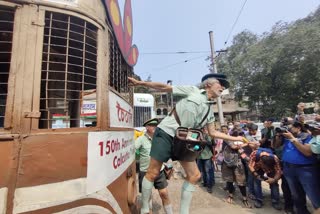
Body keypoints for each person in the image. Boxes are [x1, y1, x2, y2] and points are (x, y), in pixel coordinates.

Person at [128, 73, 244, 214]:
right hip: (166, 133)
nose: (223, 87)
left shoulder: (209, 111)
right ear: (208, 84)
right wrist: (141, 84)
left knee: (195, 175)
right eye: (221, 84)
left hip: (183, 141)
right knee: (152, 172)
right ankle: (145, 209)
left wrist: (237, 139)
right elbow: (165, 87)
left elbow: (213, 133)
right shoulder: (193, 90)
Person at [279, 121, 320, 214]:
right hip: (289, 168)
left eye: (291, 127)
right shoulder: (286, 137)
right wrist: (278, 136)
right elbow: (275, 146)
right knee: (296, 195)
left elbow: (307, 152)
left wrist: (292, 139)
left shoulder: (308, 136)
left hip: (305, 169)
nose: (288, 130)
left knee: (313, 194)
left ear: (298, 128)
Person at [135, 118, 173, 214]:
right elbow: (132, 152)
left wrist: (169, 166)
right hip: (145, 172)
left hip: (159, 171)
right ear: (147, 127)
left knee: (164, 194)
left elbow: (167, 153)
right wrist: (137, 156)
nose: (155, 127)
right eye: (152, 125)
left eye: (156, 125)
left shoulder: (161, 139)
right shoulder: (140, 140)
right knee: (147, 198)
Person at [221, 128, 252, 208]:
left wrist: (249, 160)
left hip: (238, 164)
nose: (241, 138)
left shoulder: (240, 144)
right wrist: (247, 143)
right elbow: (234, 147)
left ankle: (244, 198)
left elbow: (241, 153)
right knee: (229, 180)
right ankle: (230, 195)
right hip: (227, 164)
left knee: (241, 182)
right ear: (235, 136)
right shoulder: (228, 139)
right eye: (240, 137)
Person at [197, 126, 215, 193]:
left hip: (207, 156)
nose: (201, 130)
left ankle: (209, 186)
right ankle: (205, 183)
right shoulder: (196, 135)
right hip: (199, 156)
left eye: (202, 129)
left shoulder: (207, 135)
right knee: (202, 170)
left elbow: (211, 144)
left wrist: (203, 141)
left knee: (208, 171)